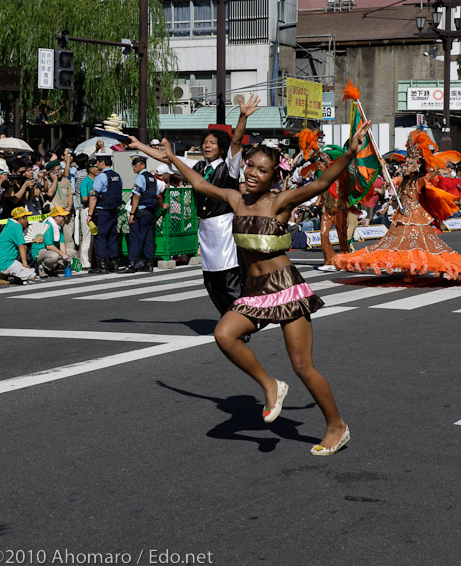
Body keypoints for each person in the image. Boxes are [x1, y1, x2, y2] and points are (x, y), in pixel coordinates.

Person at [159, 118, 371, 456]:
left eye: (262, 169)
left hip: (285, 286)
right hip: (254, 290)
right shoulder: (235, 198)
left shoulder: (279, 202)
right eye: (250, 166)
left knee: (302, 366)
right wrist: (172, 158)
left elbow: (321, 182)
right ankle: (270, 385)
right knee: (224, 335)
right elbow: (198, 183)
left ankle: (336, 426)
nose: (253, 173)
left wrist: (349, 154)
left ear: (273, 176)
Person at [128, 95, 260, 323]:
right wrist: (139, 145)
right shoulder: (198, 166)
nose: (207, 145)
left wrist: (242, 117)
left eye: (212, 143)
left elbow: (237, 141)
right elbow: (166, 157)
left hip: (225, 224)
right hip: (206, 228)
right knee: (211, 281)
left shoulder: (229, 165)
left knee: (229, 277)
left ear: (221, 149)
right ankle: (229, 319)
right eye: (205, 142)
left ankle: (243, 319)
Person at [334, 130, 461, 280]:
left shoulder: (419, 180)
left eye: (408, 164)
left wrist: (435, 167)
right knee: (398, 244)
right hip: (402, 215)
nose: (405, 166)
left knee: (422, 246)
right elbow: (390, 184)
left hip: (416, 217)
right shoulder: (402, 181)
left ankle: (443, 268)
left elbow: (431, 176)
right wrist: (382, 166)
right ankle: (409, 270)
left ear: (415, 167)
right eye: (405, 164)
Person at [125, 155, 164, 273]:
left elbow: (136, 195)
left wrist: (132, 213)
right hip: (150, 211)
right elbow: (158, 195)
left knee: (135, 237)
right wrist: (162, 206)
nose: (133, 167)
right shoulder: (152, 178)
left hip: (140, 212)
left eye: (135, 164)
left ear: (142, 164)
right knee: (148, 238)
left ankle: (132, 264)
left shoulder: (140, 178)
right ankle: (149, 264)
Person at [87, 153, 123, 273]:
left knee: (100, 237)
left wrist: (90, 215)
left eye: (97, 162)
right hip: (114, 211)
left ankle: (102, 264)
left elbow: (94, 196)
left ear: (102, 163)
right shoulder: (117, 176)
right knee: (112, 237)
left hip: (102, 211)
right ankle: (114, 262)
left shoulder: (101, 177)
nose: (96, 165)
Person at [0, 206, 37, 284]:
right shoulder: (17, 226)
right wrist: (25, 264)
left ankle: (4, 275)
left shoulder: (9, 224)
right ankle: (6, 273)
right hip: (6, 263)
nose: (27, 221)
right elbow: (21, 245)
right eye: (26, 218)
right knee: (32, 276)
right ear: (21, 219)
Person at [31, 206, 71, 277]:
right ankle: (41, 267)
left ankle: (50, 268)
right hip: (40, 251)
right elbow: (49, 246)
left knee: (72, 253)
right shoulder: (49, 226)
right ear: (56, 217)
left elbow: (62, 243)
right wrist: (63, 255)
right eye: (63, 216)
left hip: (49, 250)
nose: (65, 218)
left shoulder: (58, 227)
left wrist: (65, 257)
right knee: (55, 256)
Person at [79, 157, 98, 269]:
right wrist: (95, 196)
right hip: (86, 210)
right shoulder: (85, 182)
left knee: (95, 236)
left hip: (96, 210)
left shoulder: (98, 180)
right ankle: (85, 261)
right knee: (87, 236)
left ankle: (94, 260)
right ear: (91, 169)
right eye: (96, 166)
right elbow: (84, 198)